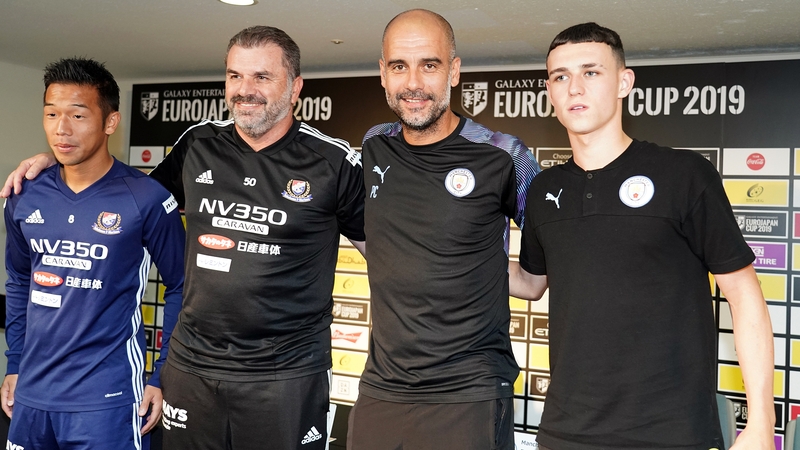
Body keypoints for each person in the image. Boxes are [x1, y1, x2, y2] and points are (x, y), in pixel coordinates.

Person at [1, 27, 366, 450]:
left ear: (296, 87)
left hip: (285, 374)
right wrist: (58, 161)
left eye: (261, 77)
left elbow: (385, 257)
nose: (244, 90)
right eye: (234, 76)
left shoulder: (333, 162)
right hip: (192, 369)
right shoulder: (198, 144)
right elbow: (124, 195)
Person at [514, 22, 775, 449]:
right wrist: (438, 255)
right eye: (560, 77)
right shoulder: (544, 190)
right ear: (550, 93)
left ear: (624, 82)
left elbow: (745, 295)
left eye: (591, 72)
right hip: (565, 432)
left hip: (668, 433)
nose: (574, 87)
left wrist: (761, 421)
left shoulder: (684, 175)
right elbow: (530, 282)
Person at [346, 10, 544, 450]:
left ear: (454, 71)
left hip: (468, 392)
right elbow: (383, 238)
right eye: (399, 66)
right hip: (381, 389)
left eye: (429, 65)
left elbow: (538, 275)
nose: (413, 82)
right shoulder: (375, 143)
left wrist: (475, 265)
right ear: (383, 74)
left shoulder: (504, 154)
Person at [2, 57, 185, 449]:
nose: (61, 129)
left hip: (107, 399)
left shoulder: (147, 198)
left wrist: (161, 375)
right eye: (51, 114)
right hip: (32, 393)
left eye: (77, 115)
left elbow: (183, 287)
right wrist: (14, 363)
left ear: (110, 122)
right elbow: (18, 281)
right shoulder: (23, 194)